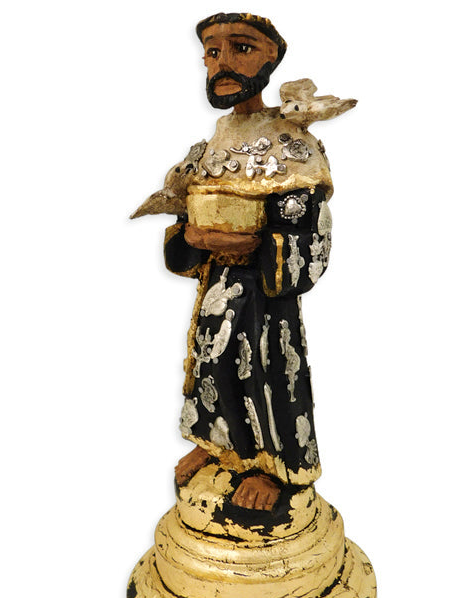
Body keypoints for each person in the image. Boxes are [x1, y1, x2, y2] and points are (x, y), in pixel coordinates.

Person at [156, 13, 336, 511]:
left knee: (265, 371)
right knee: (211, 363)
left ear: (271, 58)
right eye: (213, 53)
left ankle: (274, 467)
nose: (223, 64)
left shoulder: (292, 146)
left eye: (241, 49)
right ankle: (219, 445)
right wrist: (192, 238)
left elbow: (310, 236)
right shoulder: (207, 148)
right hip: (215, 287)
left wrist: (252, 247)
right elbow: (182, 230)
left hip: (266, 296)